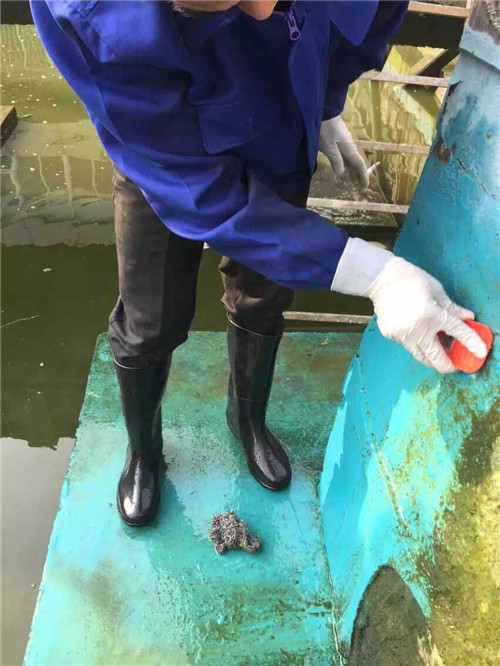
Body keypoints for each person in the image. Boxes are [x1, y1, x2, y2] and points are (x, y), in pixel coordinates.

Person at [31, 0, 487, 527]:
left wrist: (325, 100)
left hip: (279, 112)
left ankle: (246, 419)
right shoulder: (88, 14)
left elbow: (373, 13)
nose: (267, 7)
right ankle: (144, 450)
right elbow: (196, 191)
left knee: (264, 294)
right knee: (149, 318)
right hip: (164, 151)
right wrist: (374, 274)